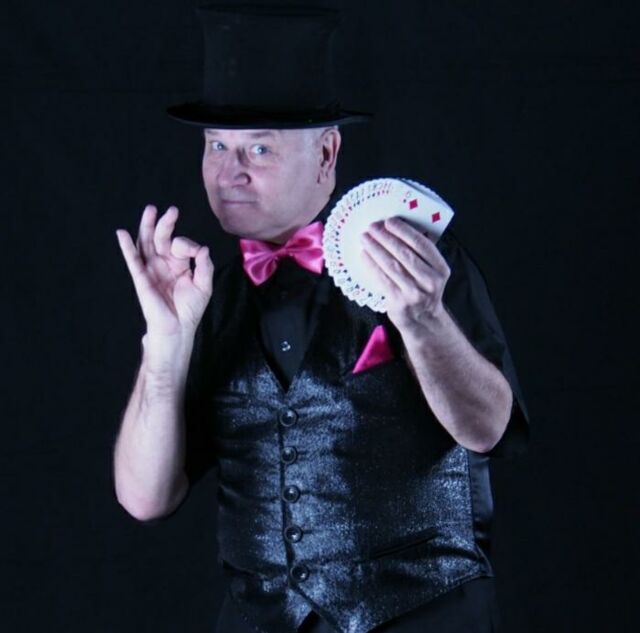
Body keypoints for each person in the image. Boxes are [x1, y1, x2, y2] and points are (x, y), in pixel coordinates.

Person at [112, 5, 530, 633]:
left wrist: (424, 320)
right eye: (216, 146)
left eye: (259, 148)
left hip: (424, 617)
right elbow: (145, 498)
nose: (230, 172)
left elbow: (490, 430)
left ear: (326, 154)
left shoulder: (420, 260)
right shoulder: (204, 299)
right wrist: (165, 345)